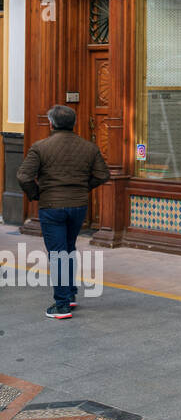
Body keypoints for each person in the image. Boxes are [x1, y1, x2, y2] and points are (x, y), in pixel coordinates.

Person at [17, 105, 110, 320]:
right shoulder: (89, 147)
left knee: (58, 253)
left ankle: (61, 305)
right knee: (68, 249)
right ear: (74, 123)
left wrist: (37, 194)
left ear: (51, 124)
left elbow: (23, 176)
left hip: (51, 207)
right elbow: (103, 175)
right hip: (78, 206)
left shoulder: (40, 147)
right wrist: (84, 187)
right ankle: (69, 294)